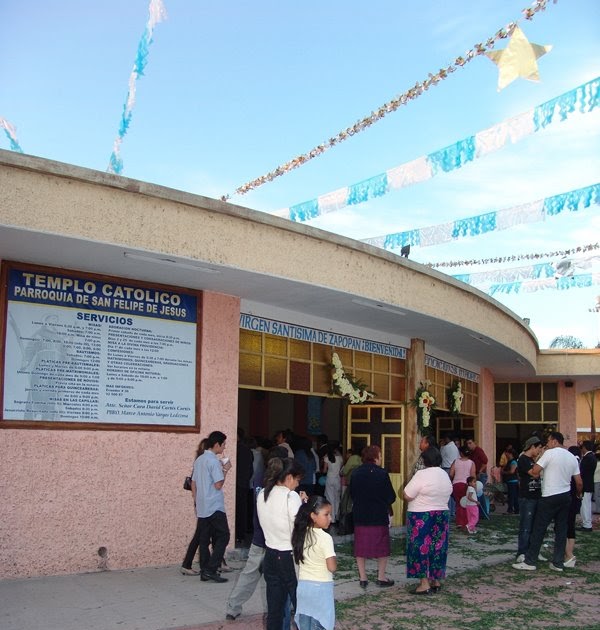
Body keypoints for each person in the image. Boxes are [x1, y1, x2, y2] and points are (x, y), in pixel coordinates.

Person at [225, 446, 288, 622]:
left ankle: (233, 607)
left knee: (249, 574)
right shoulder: (281, 484)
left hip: (259, 537)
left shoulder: (261, 477)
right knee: (282, 577)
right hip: (276, 540)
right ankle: (284, 608)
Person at [513, 432, 582, 572]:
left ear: (555, 441)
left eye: (549, 441)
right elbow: (579, 482)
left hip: (549, 495)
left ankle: (530, 561)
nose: (547, 444)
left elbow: (535, 471)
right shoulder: (572, 457)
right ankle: (557, 563)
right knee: (561, 530)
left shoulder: (550, 454)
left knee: (539, 528)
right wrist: (578, 494)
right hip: (565, 496)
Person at [257, 457, 307, 630]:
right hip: (289, 556)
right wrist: (304, 507)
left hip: (271, 554)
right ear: (289, 478)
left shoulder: (262, 493)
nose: (297, 485)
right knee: (302, 606)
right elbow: (299, 528)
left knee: (275, 611)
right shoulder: (290, 496)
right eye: (297, 480)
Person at [182, 431, 232, 583]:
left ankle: (205, 570)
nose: (224, 448)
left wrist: (197, 501)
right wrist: (225, 469)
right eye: (223, 444)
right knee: (224, 536)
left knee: (204, 540)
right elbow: (218, 484)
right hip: (215, 505)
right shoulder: (213, 461)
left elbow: (194, 483)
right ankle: (211, 568)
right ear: (216, 444)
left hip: (203, 505)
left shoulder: (199, 460)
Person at [403, 447, 453, 594]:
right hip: (441, 513)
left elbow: (407, 494)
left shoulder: (421, 474)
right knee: (438, 547)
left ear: (424, 460)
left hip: (421, 514)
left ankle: (424, 583)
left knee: (420, 547)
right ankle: (436, 579)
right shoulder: (444, 474)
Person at [350, 445, 396, 589]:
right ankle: (381, 577)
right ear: (375, 457)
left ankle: (363, 578)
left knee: (360, 547)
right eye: (380, 455)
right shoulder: (382, 473)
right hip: (378, 514)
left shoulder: (356, 473)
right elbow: (391, 496)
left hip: (360, 515)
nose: (381, 458)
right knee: (382, 547)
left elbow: (352, 493)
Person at [292, 496, 337, 630]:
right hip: (321, 588)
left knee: (306, 624)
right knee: (321, 623)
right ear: (313, 516)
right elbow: (332, 567)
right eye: (326, 514)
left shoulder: (300, 534)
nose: (330, 518)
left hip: (304, 587)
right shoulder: (325, 538)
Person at [181, 438, 207, 575]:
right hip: (205, 504)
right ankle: (188, 563)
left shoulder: (200, 462)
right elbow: (194, 484)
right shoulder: (203, 463)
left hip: (203, 502)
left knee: (205, 534)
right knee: (201, 535)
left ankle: (218, 562)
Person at [515, 436, 544, 562]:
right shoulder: (523, 459)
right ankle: (522, 552)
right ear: (532, 446)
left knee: (535, 526)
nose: (539, 451)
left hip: (536, 496)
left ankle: (533, 551)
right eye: (538, 448)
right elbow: (534, 473)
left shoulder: (533, 460)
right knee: (526, 526)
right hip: (527, 497)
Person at [564, 445, 582, 569]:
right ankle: (568, 553)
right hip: (574, 498)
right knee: (571, 525)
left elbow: (578, 482)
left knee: (564, 525)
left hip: (567, 497)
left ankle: (568, 554)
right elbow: (580, 483)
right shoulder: (578, 462)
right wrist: (579, 494)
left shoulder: (570, 464)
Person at [235, 428, 255, 543]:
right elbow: (250, 469)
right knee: (242, 509)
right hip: (244, 483)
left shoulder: (237, 449)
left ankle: (238, 534)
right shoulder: (247, 450)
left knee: (238, 510)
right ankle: (240, 535)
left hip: (237, 483)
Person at [450, 445, 475, 529]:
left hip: (456, 484)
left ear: (461, 453)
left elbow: (451, 473)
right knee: (466, 503)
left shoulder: (456, 461)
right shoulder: (471, 463)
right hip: (466, 485)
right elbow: (473, 475)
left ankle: (459, 522)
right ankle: (465, 521)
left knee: (458, 503)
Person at [323, 444, 343, 525]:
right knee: (337, 498)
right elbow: (341, 468)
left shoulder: (327, 458)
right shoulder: (340, 458)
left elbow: (324, 470)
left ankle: (333, 518)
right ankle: (337, 516)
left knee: (330, 498)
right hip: (337, 479)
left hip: (329, 479)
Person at [579, 440, 597, 532]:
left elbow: (582, 471)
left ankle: (587, 524)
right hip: (589, 484)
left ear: (585, 447)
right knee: (586, 505)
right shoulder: (592, 457)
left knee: (585, 505)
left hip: (585, 484)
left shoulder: (588, 458)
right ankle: (586, 523)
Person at [502, 448, 519, 515]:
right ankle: (516, 509)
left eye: (506, 453)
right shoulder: (509, 461)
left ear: (510, 454)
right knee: (513, 496)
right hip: (510, 481)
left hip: (513, 481)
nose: (505, 455)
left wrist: (504, 472)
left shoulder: (513, 462)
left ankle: (511, 509)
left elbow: (512, 471)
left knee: (512, 496)